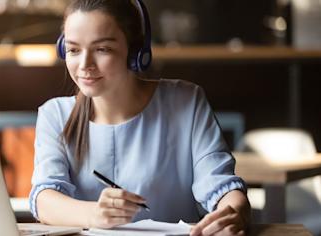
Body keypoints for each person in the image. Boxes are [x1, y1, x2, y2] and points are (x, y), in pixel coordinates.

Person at [29, 0, 251, 235]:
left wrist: (235, 213)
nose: (85, 65)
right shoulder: (55, 115)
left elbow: (221, 185)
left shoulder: (185, 101)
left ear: (135, 52)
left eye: (102, 49)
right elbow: (44, 199)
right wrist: (96, 214)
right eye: (74, 50)